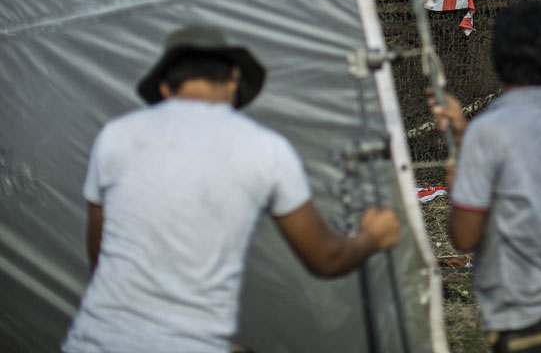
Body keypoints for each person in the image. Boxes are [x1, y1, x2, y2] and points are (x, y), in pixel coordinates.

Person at [63, 25, 400, 353]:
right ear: (234, 79)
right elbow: (326, 259)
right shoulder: (265, 148)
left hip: (92, 340)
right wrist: (373, 236)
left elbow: (101, 256)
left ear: (165, 88)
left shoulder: (115, 137)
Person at [429, 0, 541, 352]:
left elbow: (464, 237)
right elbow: (520, 180)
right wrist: (465, 136)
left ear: (497, 58)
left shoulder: (488, 131)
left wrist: (459, 185)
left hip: (530, 327)